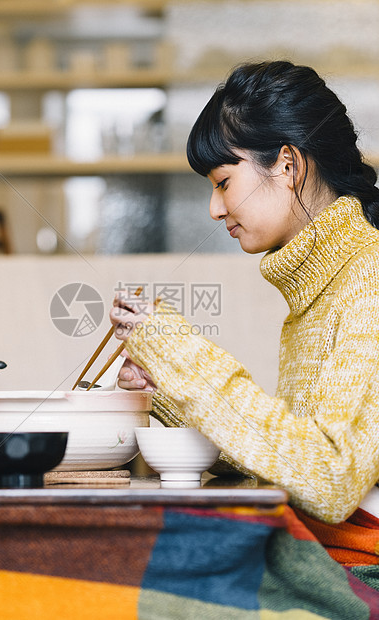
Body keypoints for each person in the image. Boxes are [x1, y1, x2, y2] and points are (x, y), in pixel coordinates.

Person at [109, 60, 379, 573]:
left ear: (287, 165)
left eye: (223, 181)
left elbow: (329, 478)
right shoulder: (323, 284)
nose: (214, 208)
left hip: (358, 570)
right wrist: (167, 391)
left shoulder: (370, 276)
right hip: (322, 554)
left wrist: (181, 355)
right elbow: (290, 461)